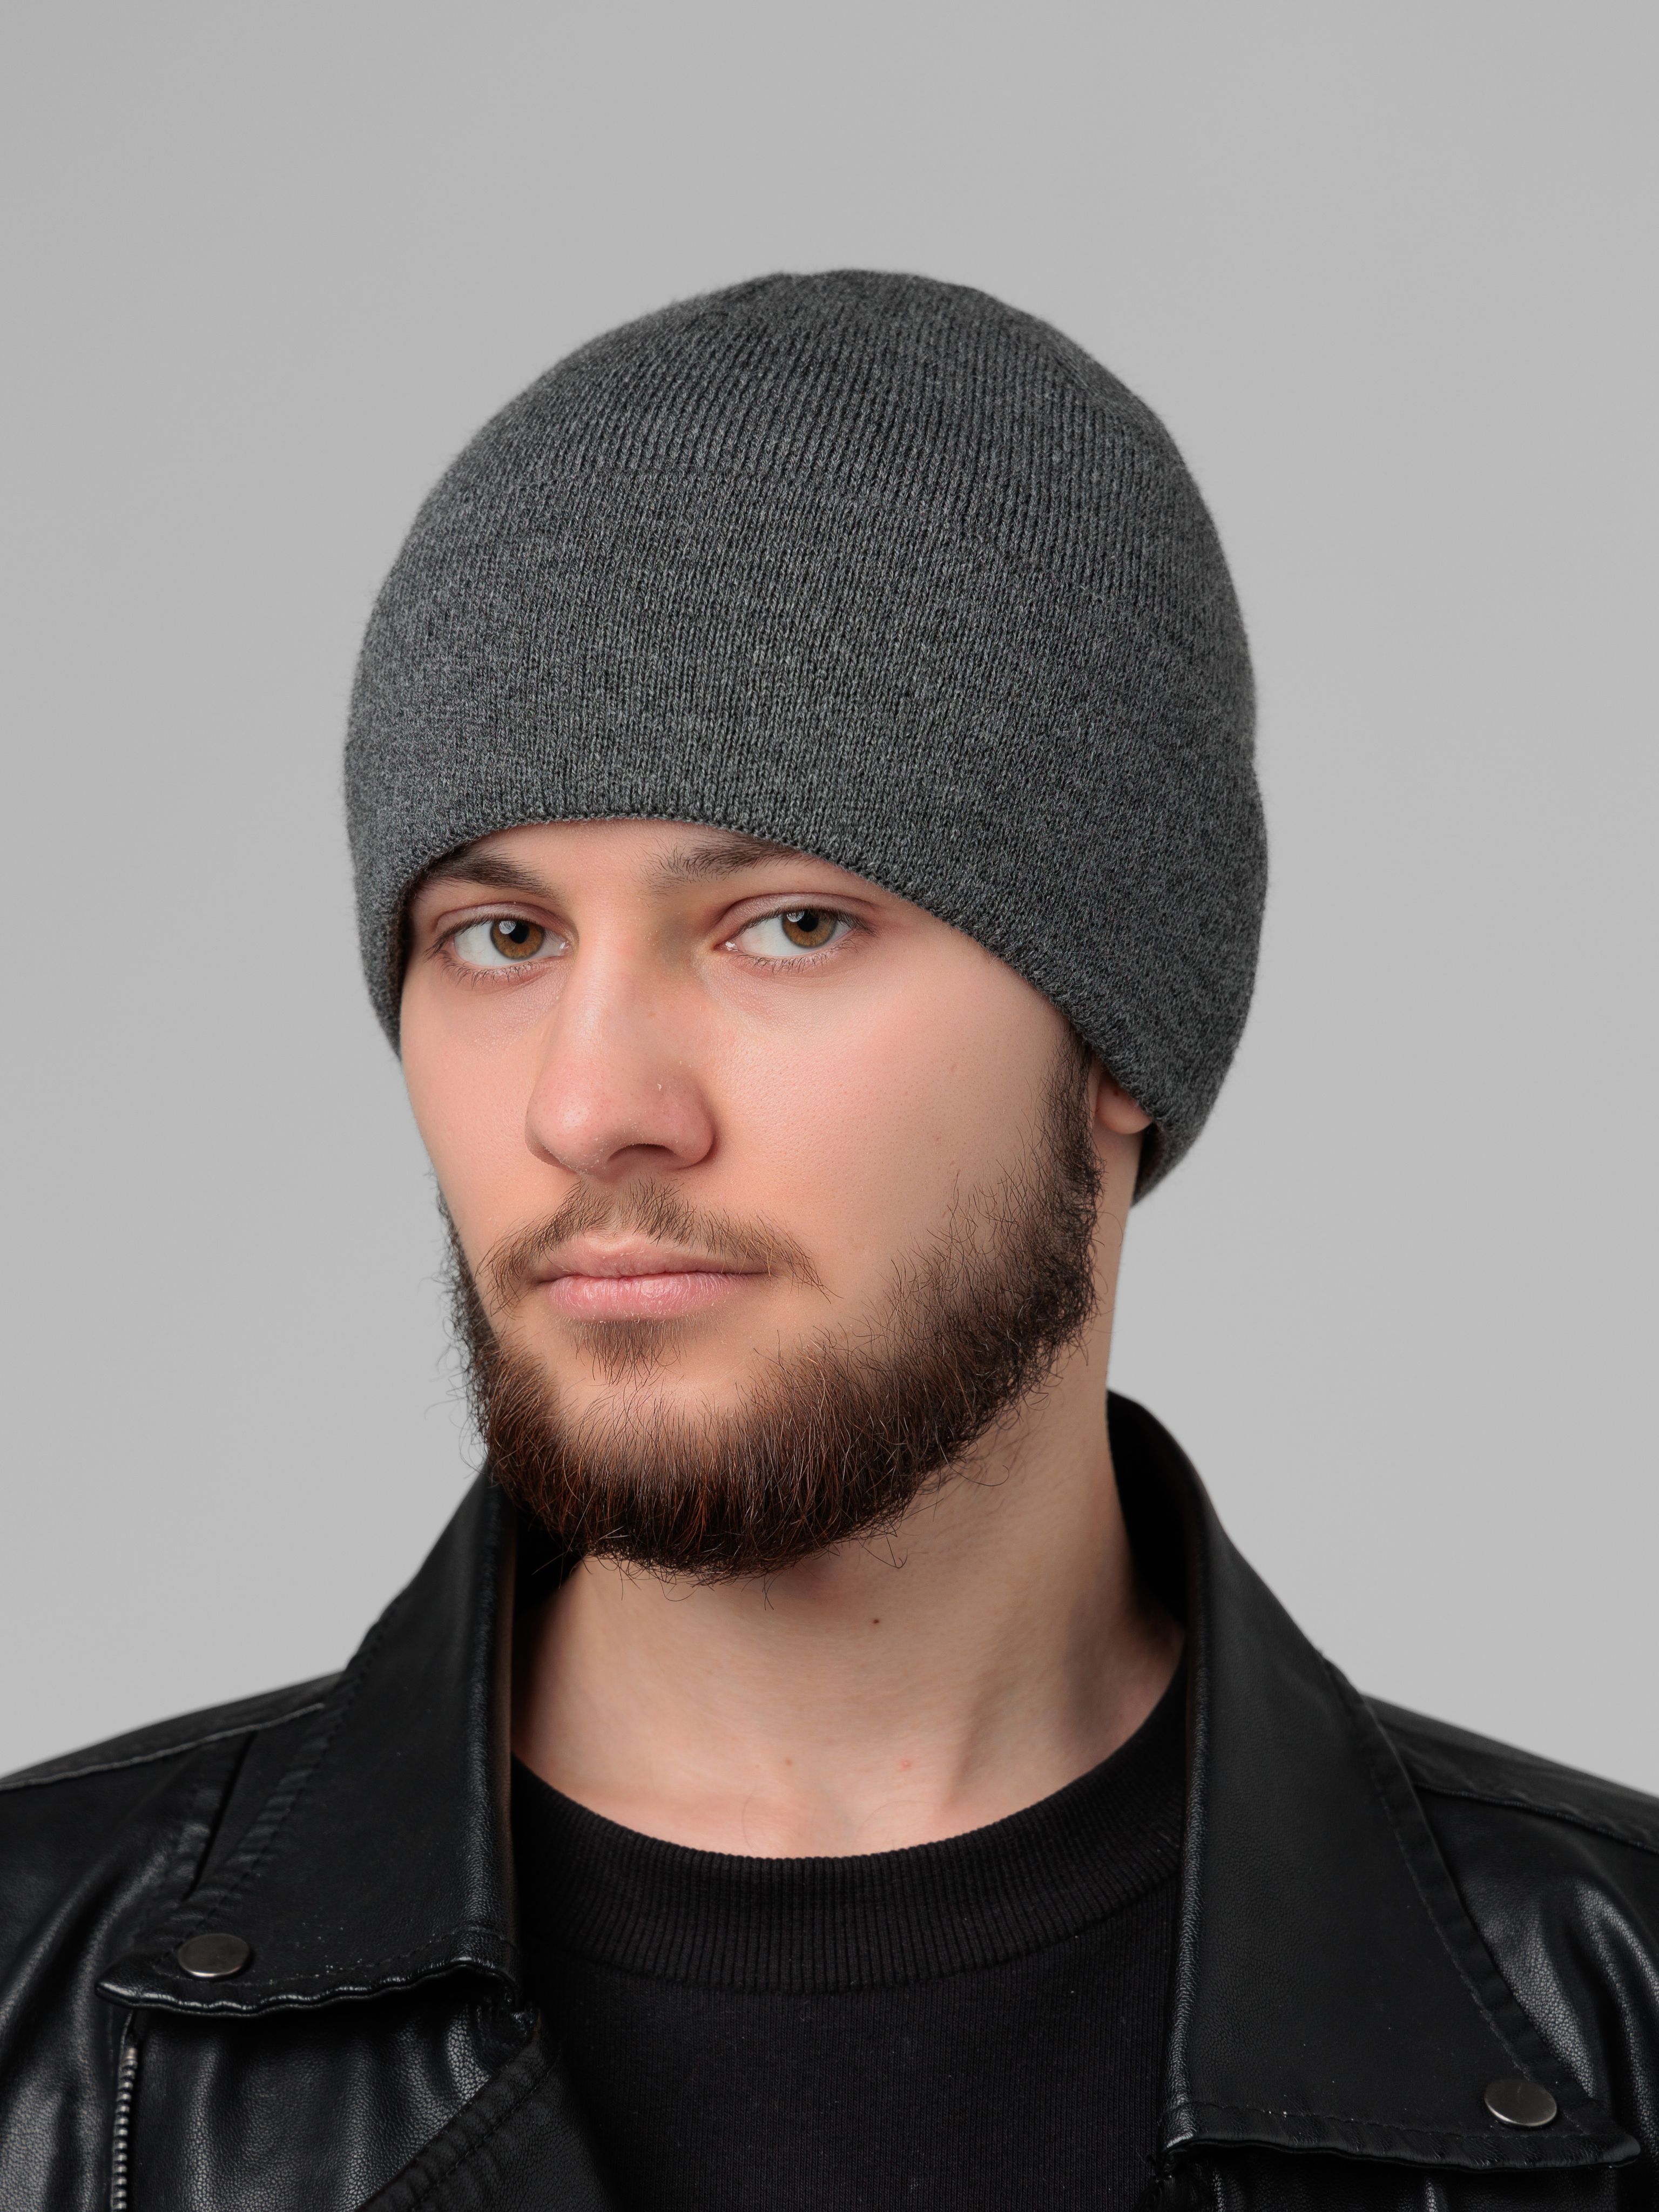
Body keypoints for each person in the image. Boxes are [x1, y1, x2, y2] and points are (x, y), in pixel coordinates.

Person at [1, 272, 1654, 2212]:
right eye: (501, 937)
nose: (588, 1106)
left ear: (1119, 1038)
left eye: (786, 926)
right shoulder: (43, 2009)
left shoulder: (1611, 2025)